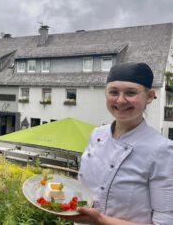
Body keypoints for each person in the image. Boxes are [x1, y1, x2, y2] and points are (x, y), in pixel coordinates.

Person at [62, 62, 173, 224]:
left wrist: (101, 219)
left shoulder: (162, 149)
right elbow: (84, 189)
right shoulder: (97, 134)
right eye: (113, 92)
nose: (120, 100)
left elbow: (165, 222)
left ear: (149, 96)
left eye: (131, 93)